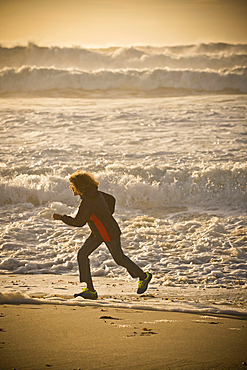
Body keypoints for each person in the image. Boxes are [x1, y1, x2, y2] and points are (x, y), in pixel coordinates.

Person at [52, 170, 152, 300]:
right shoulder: (94, 193)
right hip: (98, 232)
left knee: (119, 259)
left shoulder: (88, 200)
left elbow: (79, 222)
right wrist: (105, 214)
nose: (71, 189)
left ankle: (144, 277)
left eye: (72, 186)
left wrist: (62, 217)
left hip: (108, 232)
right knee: (82, 254)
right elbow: (111, 200)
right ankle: (90, 290)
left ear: (80, 186)